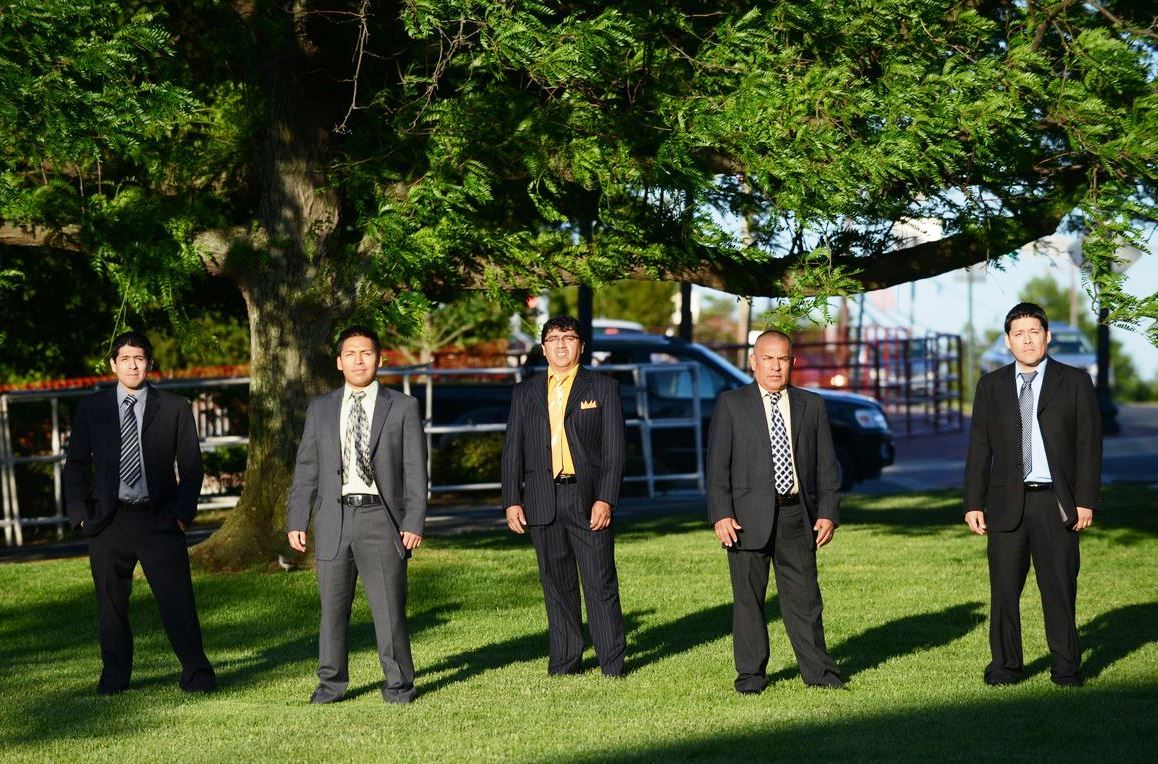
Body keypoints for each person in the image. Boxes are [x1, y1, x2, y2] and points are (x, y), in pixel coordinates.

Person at [63, 330, 215, 695]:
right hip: (108, 520)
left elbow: (191, 467)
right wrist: (80, 513)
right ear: (113, 364)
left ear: (149, 363)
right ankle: (114, 679)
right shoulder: (93, 409)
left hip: (159, 517)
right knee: (111, 605)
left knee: (177, 601)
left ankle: (197, 674)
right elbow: (76, 464)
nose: (133, 365)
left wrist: (182, 514)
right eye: (125, 359)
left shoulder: (175, 407)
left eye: (140, 359)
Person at [286, 325, 427, 704]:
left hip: (382, 519)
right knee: (332, 611)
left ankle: (398, 685)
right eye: (350, 354)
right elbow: (307, 468)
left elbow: (416, 470)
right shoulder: (321, 408)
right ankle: (330, 684)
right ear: (339, 362)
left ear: (379, 359)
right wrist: (297, 518)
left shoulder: (403, 407)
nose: (358, 360)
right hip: (334, 519)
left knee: (389, 610)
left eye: (366, 353)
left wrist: (413, 521)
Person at [963, 302, 1101, 687]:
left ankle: (1066, 668)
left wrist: (1085, 500)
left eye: (1034, 332)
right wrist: (973, 502)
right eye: (1019, 334)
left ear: (1047, 336)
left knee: (1058, 589)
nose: (1027, 340)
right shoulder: (990, 386)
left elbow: (1089, 446)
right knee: (1004, 592)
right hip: (1006, 503)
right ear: (1008, 341)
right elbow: (979, 448)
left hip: (1056, 502)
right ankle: (1005, 667)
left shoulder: (1074, 383)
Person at [707, 329, 843, 693]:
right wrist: (721, 513)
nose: (775, 366)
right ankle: (751, 676)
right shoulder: (732, 405)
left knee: (805, 600)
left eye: (782, 358)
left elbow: (827, 466)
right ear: (753, 361)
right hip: (745, 519)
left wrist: (828, 512)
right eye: (767, 358)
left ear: (793, 362)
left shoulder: (812, 405)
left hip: (797, 515)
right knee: (749, 600)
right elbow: (717, 466)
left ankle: (820, 674)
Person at [501, 316, 627, 676]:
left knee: (599, 582)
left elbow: (615, 450)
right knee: (556, 585)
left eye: (568, 338)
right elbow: (512, 451)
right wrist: (511, 500)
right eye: (553, 339)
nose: (560, 344)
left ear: (581, 346)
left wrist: (606, 498)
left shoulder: (603, 388)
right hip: (542, 499)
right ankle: (565, 661)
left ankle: (612, 663)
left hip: (587, 499)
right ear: (543, 349)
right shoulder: (524, 393)